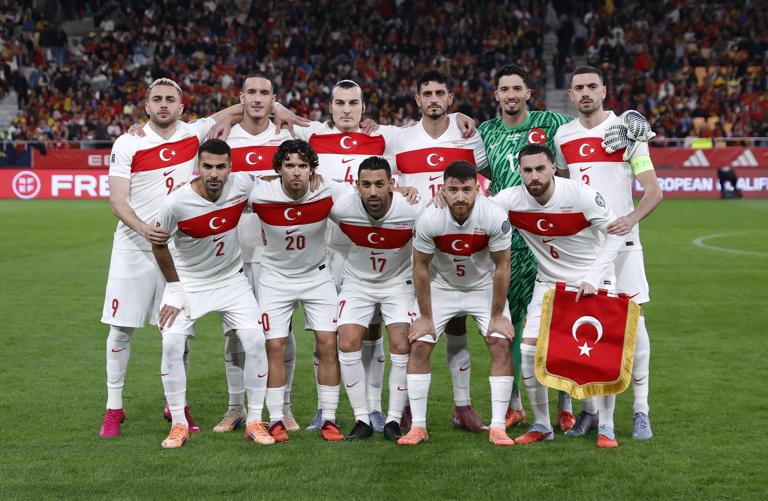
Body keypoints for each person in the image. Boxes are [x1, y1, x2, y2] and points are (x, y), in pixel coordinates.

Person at [98, 78, 239, 438]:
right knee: (121, 328)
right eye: (156, 99)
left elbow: (244, 107)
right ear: (146, 107)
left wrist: (282, 112)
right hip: (133, 247)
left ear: (181, 105)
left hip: (177, 251)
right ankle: (114, 408)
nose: (163, 104)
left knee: (180, 331)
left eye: (170, 100)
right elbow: (117, 200)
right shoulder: (128, 141)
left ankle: (176, 405)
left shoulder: (194, 134)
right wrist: (144, 229)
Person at [492, 143, 625, 448]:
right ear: (520, 172)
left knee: (602, 355)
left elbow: (618, 232)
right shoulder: (511, 200)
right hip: (549, 282)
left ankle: (607, 426)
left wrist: (594, 277)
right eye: (527, 170)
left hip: (594, 279)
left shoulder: (580, 194)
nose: (534, 176)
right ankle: (542, 424)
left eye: (540, 168)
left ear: (553, 168)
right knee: (527, 351)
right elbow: (476, 209)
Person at [554, 66, 662, 440]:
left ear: (604, 90)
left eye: (591, 87)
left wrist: (630, 218)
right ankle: (592, 412)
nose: (585, 92)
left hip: (623, 244)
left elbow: (653, 190)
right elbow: (566, 189)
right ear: (570, 94)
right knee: (590, 327)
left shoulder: (627, 131)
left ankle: (641, 409)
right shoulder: (562, 136)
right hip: (583, 248)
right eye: (578, 87)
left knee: (635, 320)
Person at [151, 139, 271, 448]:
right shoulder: (176, 203)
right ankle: (178, 424)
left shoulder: (241, 184)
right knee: (172, 344)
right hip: (189, 283)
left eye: (221, 167)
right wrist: (175, 289)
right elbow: (158, 242)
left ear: (231, 168)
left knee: (256, 341)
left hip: (231, 280)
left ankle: (255, 420)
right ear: (198, 167)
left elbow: (274, 180)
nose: (214, 174)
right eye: (208, 166)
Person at [388, 69, 490, 433]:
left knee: (458, 322)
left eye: (439, 93)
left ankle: (462, 407)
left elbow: (487, 178)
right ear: (417, 100)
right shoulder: (398, 138)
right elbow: (375, 175)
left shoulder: (470, 137)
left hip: (459, 246)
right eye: (426, 93)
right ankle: (403, 409)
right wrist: (399, 192)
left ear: (451, 98)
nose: (433, 99)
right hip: (411, 247)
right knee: (410, 329)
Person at [477, 64, 576, 431]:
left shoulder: (552, 123)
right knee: (510, 326)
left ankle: (565, 404)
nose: (512, 95)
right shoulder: (485, 132)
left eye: (518, 88)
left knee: (558, 325)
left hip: (549, 242)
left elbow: (587, 122)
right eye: (505, 89)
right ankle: (515, 405)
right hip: (507, 245)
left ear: (528, 92)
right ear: (496, 96)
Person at [398, 160, 516, 446]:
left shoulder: (494, 215)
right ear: (443, 190)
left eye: (466, 189)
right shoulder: (430, 218)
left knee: (500, 342)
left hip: (482, 287)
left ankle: (498, 427)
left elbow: (502, 266)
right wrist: (425, 317)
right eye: (453, 190)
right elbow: (420, 267)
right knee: (420, 344)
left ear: (478, 188)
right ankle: (419, 427)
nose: (460, 196)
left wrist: (498, 314)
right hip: (443, 286)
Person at [214, 71, 301, 433]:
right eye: (251, 92)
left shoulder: (288, 136)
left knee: (280, 333)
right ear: (241, 96)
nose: (257, 98)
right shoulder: (222, 136)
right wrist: (224, 115)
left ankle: (283, 406)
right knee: (234, 332)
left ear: (274, 98)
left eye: (265, 93)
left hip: (276, 253)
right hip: (231, 251)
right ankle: (236, 407)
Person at [248, 139, 345, 442]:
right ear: (278, 169)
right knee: (274, 347)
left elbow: (369, 194)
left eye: (303, 166)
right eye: (289, 165)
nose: (296, 172)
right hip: (275, 279)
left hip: (317, 277)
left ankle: (329, 419)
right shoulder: (259, 192)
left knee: (328, 344)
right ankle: (276, 419)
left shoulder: (328, 190)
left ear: (312, 169)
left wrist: (400, 191)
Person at [330, 156, 420, 441]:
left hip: (398, 282)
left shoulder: (413, 209)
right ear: (356, 186)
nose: (372, 191)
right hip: (357, 282)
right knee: (346, 341)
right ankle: (362, 419)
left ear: (392, 185)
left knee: (402, 343)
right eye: (366, 185)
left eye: (380, 184)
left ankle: (393, 420)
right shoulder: (341, 208)